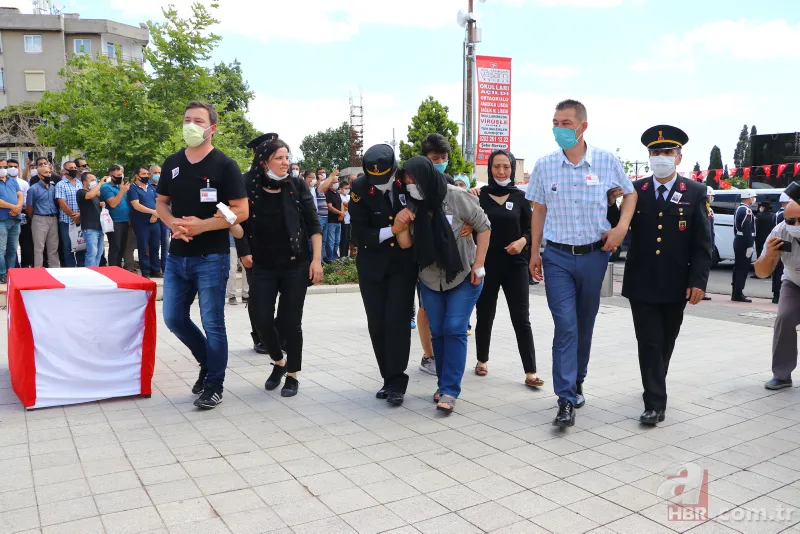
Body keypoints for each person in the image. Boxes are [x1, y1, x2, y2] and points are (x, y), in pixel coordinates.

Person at [526, 99, 637, 427]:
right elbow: (539, 210)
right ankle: (564, 398)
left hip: (594, 256)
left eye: (565, 123)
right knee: (566, 325)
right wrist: (535, 252)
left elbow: (630, 194)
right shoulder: (545, 166)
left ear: (582, 126)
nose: (558, 129)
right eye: (555, 122)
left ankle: (577, 380)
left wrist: (620, 228)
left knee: (584, 323)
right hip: (557, 256)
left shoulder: (605, 161)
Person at [156, 101, 248, 410]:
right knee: (173, 318)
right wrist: (174, 225)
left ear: (212, 128)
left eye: (198, 120)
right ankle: (208, 362)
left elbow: (241, 212)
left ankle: (214, 385)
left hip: (212, 256)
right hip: (177, 255)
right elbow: (161, 203)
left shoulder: (224, 165)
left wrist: (202, 226)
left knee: (213, 322)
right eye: (187, 120)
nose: (191, 125)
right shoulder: (172, 163)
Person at [617, 125, 711, 425]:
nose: (661, 157)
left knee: (666, 340)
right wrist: (609, 200)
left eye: (667, 152)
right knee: (650, 342)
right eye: (656, 152)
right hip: (641, 281)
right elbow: (617, 224)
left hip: (676, 283)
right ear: (649, 157)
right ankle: (655, 403)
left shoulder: (694, 192)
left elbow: (702, 243)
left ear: (678, 158)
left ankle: (656, 378)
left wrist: (698, 281)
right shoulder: (635, 191)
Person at [396, 156, 491, 414]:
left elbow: (484, 227)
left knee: (454, 327)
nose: (409, 185)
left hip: (464, 275)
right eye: (406, 181)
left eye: (412, 180)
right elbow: (406, 244)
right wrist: (400, 225)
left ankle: (450, 389)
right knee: (437, 330)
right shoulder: (413, 204)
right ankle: (442, 384)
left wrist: (479, 264)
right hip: (429, 277)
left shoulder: (457, 196)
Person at [235, 138, 323, 397]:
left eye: (287, 157)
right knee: (262, 319)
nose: (286, 163)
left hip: (296, 265)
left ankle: (292, 375)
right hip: (263, 265)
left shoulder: (297, 186)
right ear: (265, 162)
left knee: (291, 322)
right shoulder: (250, 187)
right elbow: (241, 227)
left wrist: (316, 261)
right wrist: (231, 226)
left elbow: (314, 225)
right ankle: (279, 362)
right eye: (280, 158)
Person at [350, 144, 418, 406]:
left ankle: (398, 380)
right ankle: (387, 378)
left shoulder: (407, 182)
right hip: (372, 266)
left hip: (402, 265)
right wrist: (393, 229)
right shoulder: (359, 189)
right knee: (377, 323)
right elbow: (358, 234)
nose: (379, 184)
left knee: (398, 321)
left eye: (384, 178)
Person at [472, 149, 541, 387]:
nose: (501, 171)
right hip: (487, 265)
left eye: (506, 167)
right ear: (489, 169)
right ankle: (482, 360)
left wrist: (523, 242)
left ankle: (530, 372)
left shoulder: (521, 197)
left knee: (521, 318)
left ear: (512, 168)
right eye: (496, 166)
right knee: (485, 315)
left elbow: (531, 230)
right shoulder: (478, 196)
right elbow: (469, 226)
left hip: (515, 266)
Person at [416, 134, 473, 375]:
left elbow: (471, 217)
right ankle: (429, 355)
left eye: (444, 157)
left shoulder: (451, 185)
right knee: (427, 311)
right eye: (434, 158)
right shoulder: (414, 186)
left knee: (451, 321)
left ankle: (446, 364)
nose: (440, 162)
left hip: (453, 263)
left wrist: (467, 224)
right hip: (427, 264)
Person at [755, 200, 800, 390]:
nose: (796, 225)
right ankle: (781, 374)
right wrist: (770, 256)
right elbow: (761, 272)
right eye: (791, 221)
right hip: (794, 282)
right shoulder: (779, 232)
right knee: (784, 317)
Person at [128, 166, 162, 278]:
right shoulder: (133, 188)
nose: (146, 176)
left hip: (155, 221)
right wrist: (153, 212)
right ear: (137, 176)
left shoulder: (151, 188)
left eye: (148, 174)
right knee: (143, 247)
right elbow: (136, 205)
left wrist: (155, 214)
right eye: (143, 174)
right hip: (141, 222)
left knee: (155, 246)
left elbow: (159, 201)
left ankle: (156, 270)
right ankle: (146, 271)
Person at [26, 163, 60, 268]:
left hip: (53, 218)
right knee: (39, 247)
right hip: (39, 219)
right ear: (39, 175)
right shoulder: (33, 189)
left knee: (53, 247)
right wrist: (35, 217)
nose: (48, 174)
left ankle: (55, 270)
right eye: (45, 173)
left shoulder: (53, 188)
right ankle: (38, 270)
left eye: (49, 172)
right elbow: (29, 207)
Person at [55, 160, 86, 267]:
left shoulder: (80, 183)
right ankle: (71, 268)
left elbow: (86, 200)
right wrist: (74, 215)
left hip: (81, 219)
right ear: (65, 170)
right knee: (68, 247)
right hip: (67, 221)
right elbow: (62, 203)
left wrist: (80, 215)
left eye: (75, 168)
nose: (74, 170)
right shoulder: (61, 184)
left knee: (81, 245)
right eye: (71, 168)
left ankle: (82, 268)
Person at [100, 165, 131, 268]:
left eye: (121, 174)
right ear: (111, 175)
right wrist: (122, 191)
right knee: (115, 247)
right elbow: (113, 203)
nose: (120, 177)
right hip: (114, 221)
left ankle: (118, 267)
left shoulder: (120, 187)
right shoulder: (106, 187)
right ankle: (113, 268)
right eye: (117, 175)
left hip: (125, 220)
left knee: (122, 247)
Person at [0, 158, 23, 283]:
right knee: (1, 249)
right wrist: (13, 207)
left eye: (5, 167)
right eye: (0, 167)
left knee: (13, 248)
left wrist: (18, 207)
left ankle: (12, 273)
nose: (3, 170)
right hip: (2, 220)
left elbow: (20, 194)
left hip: (15, 219)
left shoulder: (12, 181)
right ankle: (2, 274)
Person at [731, 190, 756, 302]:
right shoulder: (746, 210)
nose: (754, 199)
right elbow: (746, 229)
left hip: (739, 240)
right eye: (753, 197)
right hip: (744, 242)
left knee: (738, 267)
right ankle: (738, 293)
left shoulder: (739, 209)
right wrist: (750, 245)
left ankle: (735, 292)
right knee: (743, 268)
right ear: (749, 197)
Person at [76, 172, 105, 267]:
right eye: (92, 180)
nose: (95, 182)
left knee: (99, 253)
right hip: (89, 228)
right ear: (84, 182)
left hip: (99, 227)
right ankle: (90, 273)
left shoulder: (95, 194)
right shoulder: (81, 192)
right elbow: (89, 195)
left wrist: (103, 205)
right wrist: (100, 183)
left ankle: (96, 271)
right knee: (92, 252)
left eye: (95, 180)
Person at [150, 165, 170, 273]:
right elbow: (151, 202)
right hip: (153, 220)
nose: (158, 175)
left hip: (165, 220)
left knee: (166, 246)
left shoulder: (165, 186)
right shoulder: (148, 186)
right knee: (154, 246)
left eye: (159, 172)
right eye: (155, 172)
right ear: (150, 174)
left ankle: (166, 268)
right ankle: (155, 269)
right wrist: (156, 213)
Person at [771, 192, 789, 304]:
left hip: (778, 243)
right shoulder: (783, 214)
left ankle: (776, 294)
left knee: (778, 270)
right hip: (782, 244)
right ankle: (777, 295)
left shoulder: (777, 213)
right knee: (780, 271)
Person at [325, 177, 344, 261]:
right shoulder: (327, 193)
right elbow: (330, 207)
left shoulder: (337, 193)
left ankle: (335, 256)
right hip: (331, 220)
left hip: (339, 221)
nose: (337, 183)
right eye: (334, 182)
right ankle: (330, 258)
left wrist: (342, 214)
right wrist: (340, 213)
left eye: (337, 182)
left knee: (337, 241)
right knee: (331, 241)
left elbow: (341, 204)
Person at [703, 186, 715, 300]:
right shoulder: (702, 209)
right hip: (702, 244)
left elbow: (711, 230)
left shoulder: (709, 210)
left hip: (708, 243)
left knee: (705, 268)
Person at [754, 201, 775, 265]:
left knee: (760, 255)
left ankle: (759, 273)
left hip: (759, 239)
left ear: (763, 207)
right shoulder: (773, 215)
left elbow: (755, 227)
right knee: (768, 255)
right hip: (770, 238)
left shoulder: (759, 215)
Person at [339, 178, 352, 258]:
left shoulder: (350, 196)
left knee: (348, 238)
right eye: (345, 188)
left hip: (349, 220)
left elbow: (350, 206)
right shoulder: (339, 196)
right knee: (343, 238)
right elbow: (345, 206)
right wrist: (346, 207)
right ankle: (342, 255)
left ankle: (346, 255)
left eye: (348, 188)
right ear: (341, 189)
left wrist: (347, 206)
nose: (347, 190)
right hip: (343, 220)